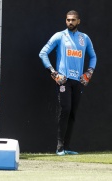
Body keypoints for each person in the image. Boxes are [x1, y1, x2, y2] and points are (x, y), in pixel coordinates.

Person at [39, 10, 97, 156]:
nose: (70, 22)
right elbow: (43, 53)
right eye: (68, 20)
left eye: (73, 20)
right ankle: (59, 146)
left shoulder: (84, 38)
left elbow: (93, 57)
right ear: (65, 21)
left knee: (72, 113)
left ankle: (67, 146)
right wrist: (54, 73)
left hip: (78, 81)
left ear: (78, 21)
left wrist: (89, 73)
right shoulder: (60, 36)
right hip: (64, 80)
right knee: (65, 110)